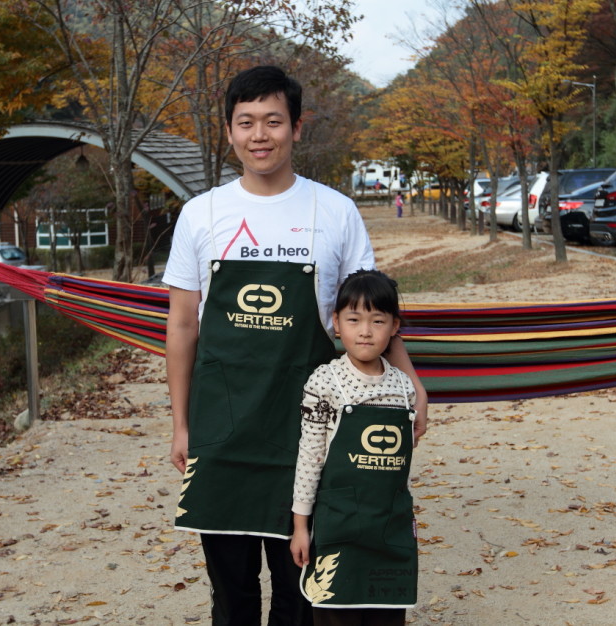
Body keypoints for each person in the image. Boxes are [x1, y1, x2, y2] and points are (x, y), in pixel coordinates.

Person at [163, 65, 427, 626]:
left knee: (299, 590)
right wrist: (182, 422)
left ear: (297, 128)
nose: (260, 135)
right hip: (223, 428)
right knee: (231, 593)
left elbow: (369, 311)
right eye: (246, 122)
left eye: (273, 121)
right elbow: (184, 326)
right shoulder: (200, 214)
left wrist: (413, 385)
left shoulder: (333, 212)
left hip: (311, 428)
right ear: (229, 132)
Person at [291, 269, 418, 626]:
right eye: (354, 319)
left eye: (378, 320)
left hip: (389, 528)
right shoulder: (325, 382)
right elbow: (310, 458)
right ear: (336, 322)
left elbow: (400, 468)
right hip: (338, 528)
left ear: (394, 326)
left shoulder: (404, 387)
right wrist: (301, 527)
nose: (365, 331)